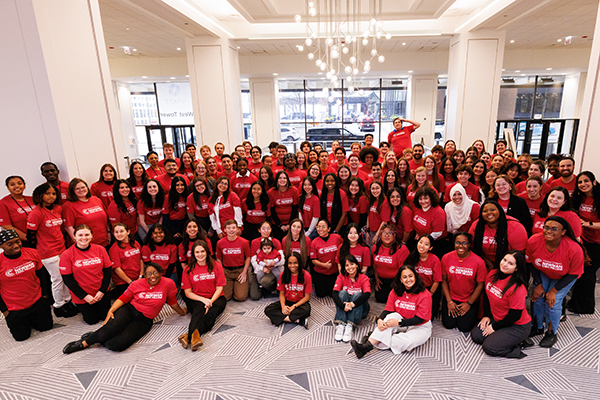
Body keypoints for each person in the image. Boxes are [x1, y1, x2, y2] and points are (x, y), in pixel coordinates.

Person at [63, 262, 186, 354]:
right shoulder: (137, 283)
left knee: (116, 345)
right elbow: (123, 298)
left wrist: (181, 312)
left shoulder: (168, 284)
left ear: (160, 273)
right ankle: (83, 343)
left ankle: (99, 335)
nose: (152, 276)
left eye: (155, 273)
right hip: (129, 310)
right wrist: (111, 310)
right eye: (148, 273)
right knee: (112, 327)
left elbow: (172, 301)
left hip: (145, 319)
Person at [526, 216, 584, 348]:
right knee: (538, 297)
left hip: (565, 276)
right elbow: (530, 263)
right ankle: (537, 327)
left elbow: (574, 274)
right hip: (544, 271)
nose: (549, 231)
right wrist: (538, 284)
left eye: (554, 229)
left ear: (563, 232)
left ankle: (551, 332)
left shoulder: (573, 248)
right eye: (546, 227)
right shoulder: (534, 240)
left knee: (553, 301)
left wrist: (553, 290)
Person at [350, 265, 432, 358]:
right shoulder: (395, 291)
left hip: (420, 326)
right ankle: (366, 347)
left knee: (405, 342)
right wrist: (380, 319)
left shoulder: (425, 294)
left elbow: (420, 319)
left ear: (415, 277)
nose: (408, 279)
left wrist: (399, 322)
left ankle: (374, 338)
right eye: (404, 277)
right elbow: (388, 309)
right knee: (389, 318)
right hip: (401, 318)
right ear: (400, 280)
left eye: (410, 276)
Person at [26, 183, 76, 317]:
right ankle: (58, 305)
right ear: (40, 195)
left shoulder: (58, 208)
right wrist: (34, 253)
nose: (51, 196)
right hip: (47, 251)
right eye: (48, 193)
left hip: (61, 247)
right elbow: (30, 235)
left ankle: (68, 301)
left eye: (53, 193)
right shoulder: (36, 213)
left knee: (66, 276)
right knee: (57, 279)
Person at [471, 251, 531, 358]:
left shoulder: (518, 287)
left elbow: (515, 315)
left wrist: (494, 327)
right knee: (477, 336)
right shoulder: (492, 274)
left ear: (516, 268)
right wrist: (486, 315)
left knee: (489, 347)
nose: (505, 264)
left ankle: (518, 346)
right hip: (497, 318)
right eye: (504, 260)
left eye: (511, 264)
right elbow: (486, 295)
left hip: (517, 325)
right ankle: (503, 337)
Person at [0, 229, 54, 341]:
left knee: (46, 327)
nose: (16, 245)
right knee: (22, 337)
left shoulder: (32, 253)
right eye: (10, 244)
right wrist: (5, 311)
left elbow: (42, 276)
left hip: (37, 301)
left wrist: (44, 296)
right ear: (1, 246)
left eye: (17, 241)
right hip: (14, 308)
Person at [60, 225, 112, 325]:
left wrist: (102, 291)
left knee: (105, 316)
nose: (84, 238)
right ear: (74, 236)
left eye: (87, 234)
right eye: (80, 235)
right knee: (92, 321)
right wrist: (85, 296)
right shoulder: (66, 254)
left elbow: (108, 271)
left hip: (101, 291)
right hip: (83, 295)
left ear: (92, 236)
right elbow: (68, 279)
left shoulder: (100, 249)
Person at [179, 240, 227, 351]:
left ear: (207, 252)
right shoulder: (187, 269)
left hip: (216, 297)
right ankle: (195, 338)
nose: (200, 254)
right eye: (197, 252)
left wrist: (210, 301)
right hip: (195, 298)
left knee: (211, 315)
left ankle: (188, 336)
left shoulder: (217, 266)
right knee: (199, 309)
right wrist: (204, 300)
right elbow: (187, 292)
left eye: (202, 251)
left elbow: (220, 288)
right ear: (193, 254)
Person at [441, 232, 486, 332]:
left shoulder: (479, 262)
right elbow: (443, 280)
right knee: (448, 324)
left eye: (464, 243)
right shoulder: (446, 258)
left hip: (468, 299)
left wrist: (469, 303)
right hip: (451, 298)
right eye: (458, 243)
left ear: (470, 244)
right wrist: (449, 301)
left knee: (465, 327)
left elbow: (480, 285)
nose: (461, 246)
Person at [570, 171, 600, 314]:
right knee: (580, 273)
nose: (583, 184)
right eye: (580, 182)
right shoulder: (579, 198)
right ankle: (575, 303)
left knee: (588, 273)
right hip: (584, 240)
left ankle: (586, 307)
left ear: (594, 182)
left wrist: (588, 224)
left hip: (598, 243)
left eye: (586, 181)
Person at [470, 200, 528, 270]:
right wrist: (488, 263)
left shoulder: (515, 227)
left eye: (492, 210)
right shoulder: (477, 225)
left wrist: (502, 267)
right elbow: (472, 249)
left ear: (500, 211)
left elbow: (518, 255)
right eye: (485, 211)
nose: (489, 213)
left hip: (508, 266)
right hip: (484, 263)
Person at [264, 252, 311, 328]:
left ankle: (280, 318)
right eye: (290, 263)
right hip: (287, 301)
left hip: (299, 303)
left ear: (299, 263)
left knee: (306, 310)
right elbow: (281, 294)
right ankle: (298, 320)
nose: (292, 266)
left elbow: (307, 297)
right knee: (268, 309)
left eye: (295, 263)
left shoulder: (306, 275)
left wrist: (294, 306)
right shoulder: (283, 274)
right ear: (286, 264)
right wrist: (283, 307)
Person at [333, 255, 371, 343]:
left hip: (361, 309)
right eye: (347, 265)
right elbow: (334, 293)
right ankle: (341, 324)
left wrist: (352, 304)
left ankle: (350, 325)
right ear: (344, 268)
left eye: (352, 264)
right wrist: (343, 306)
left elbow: (367, 294)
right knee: (342, 293)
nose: (350, 267)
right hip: (345, 308)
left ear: (357, 265)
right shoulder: (341, 277)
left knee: (358, 294)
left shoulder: (364, 278)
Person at [62, 178, 110, 247]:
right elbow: (68, 227)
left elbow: (105, 219)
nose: (81, 190)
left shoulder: (96, 200)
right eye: (77, 189)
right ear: (72, 191)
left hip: (104, 241)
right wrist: (81, 244)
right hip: (86, 245)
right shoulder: (68, 206)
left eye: (83, 187)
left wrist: (108, 233)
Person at [404, 234, 442, 317]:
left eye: (426, 244)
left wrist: (429, 295)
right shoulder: (412, 257)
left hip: (430, 289)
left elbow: (437, 281)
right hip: (415, 287)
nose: (422, 246)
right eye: (420, 242)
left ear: (430, 248)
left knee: (427, 316)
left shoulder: (435, 260)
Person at [372, 223, 410, 303]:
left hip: (396, 280)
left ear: (395, 235)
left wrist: (398, 283)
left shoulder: (402, 249)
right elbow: (374, 264)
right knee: (380, 299)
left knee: (396, 300)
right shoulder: (376, 247)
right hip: (382, 279)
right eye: (384, 233)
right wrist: (376, 279)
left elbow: (404, 270)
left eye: (390, 233)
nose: (387, 236)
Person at [216, 219, 251, 302]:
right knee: (225, 297)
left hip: (239, 271)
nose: (231, 230)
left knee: (241, 297)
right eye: (228, 228)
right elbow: (218, 258)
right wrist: (222, 272)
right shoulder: (220, 243)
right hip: (226, 271)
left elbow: (248, 257)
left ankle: (237, 287)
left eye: (233, 228)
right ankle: (231, 287)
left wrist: (244, 272)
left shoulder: (244, 242)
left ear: (237, 229)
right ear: (224, 230)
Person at [310, 218, 343, 297]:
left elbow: (344, 247)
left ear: (329, 229)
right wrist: (323, 265)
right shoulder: (314, 242)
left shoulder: (337, 238)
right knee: (321, 294)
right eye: (318, 226)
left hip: (334, 272)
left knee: (332, 294)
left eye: (323, 227)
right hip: (320, 272)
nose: (320, 229)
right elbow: (313, 260)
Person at [109, 223, 143, 298]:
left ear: (128, 232)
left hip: (138, 279)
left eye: (121, 231)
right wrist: (130, 282)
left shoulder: (135, 243)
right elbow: (117, 270)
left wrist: (140, 276)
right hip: (123, 282)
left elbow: (140, 260)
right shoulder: (114, 249)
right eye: (116, 232)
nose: (119, 234)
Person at [412, 186, 448, 257]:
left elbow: (438, 233)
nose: (423, 201)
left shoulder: (438, 212)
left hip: (435, 243)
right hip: (421, 240)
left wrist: (423, 241)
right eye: (420, 199)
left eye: (426, 198)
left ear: (431, 198)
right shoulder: (417, 208)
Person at [0, 176, 35, 244]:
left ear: (24, 186)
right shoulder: (3, 203)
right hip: (21, 241)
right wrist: (28, 238)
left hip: (40, 239)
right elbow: (7, 226)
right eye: (12, 184)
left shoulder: (32, 199)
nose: (17, 186)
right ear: (8, 188)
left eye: (19, 183)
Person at [209, 177, 243, 241]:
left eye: (225, 184)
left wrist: (238, 227)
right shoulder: (211, 200)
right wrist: (218, 230)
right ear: (217, 184)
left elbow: (238, 212)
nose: (223, 185)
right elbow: (213, 218)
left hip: (234, 229)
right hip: (222, 230)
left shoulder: (232, 195)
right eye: (221, 183)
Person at [269, 171, 299, 240]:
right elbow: (272, 210)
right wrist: (280, 225)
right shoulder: (271, 192)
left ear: (287, 180)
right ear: (276, 180)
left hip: (291, 224)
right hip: (276, 224)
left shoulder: (294, 190)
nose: (282, 180)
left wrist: (289, 224)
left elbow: (295, 209)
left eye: (284, 178)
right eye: (280, 178)